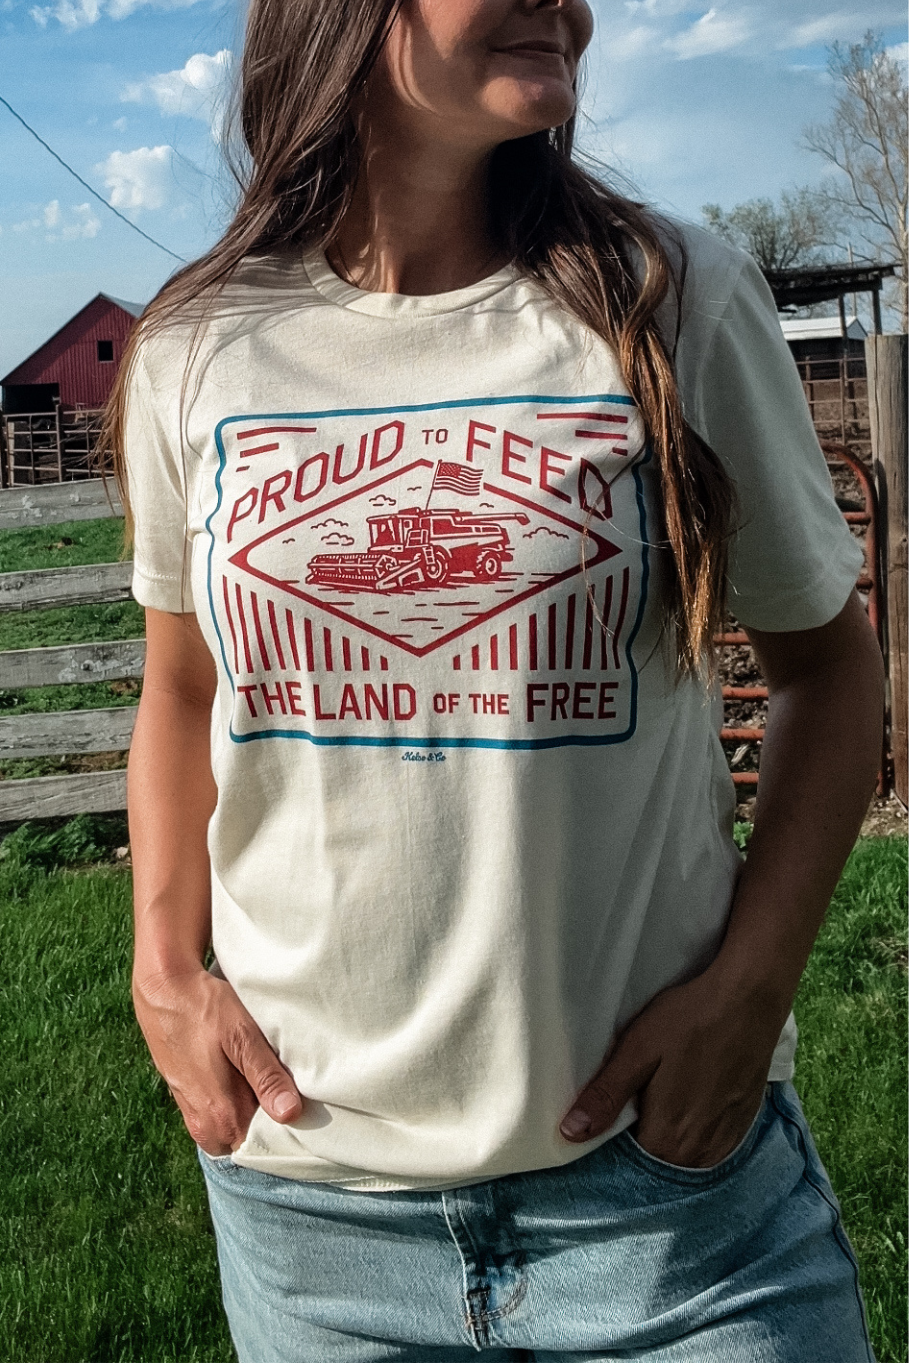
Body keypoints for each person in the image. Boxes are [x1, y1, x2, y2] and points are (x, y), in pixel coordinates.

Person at [106, 1, 885, 1359]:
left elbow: (830, 661)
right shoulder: (197, 345)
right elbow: (181, 690)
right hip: (313, 1212)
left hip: (670, 1203)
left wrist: (755, 980)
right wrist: (162, 969)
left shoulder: (668, 294)